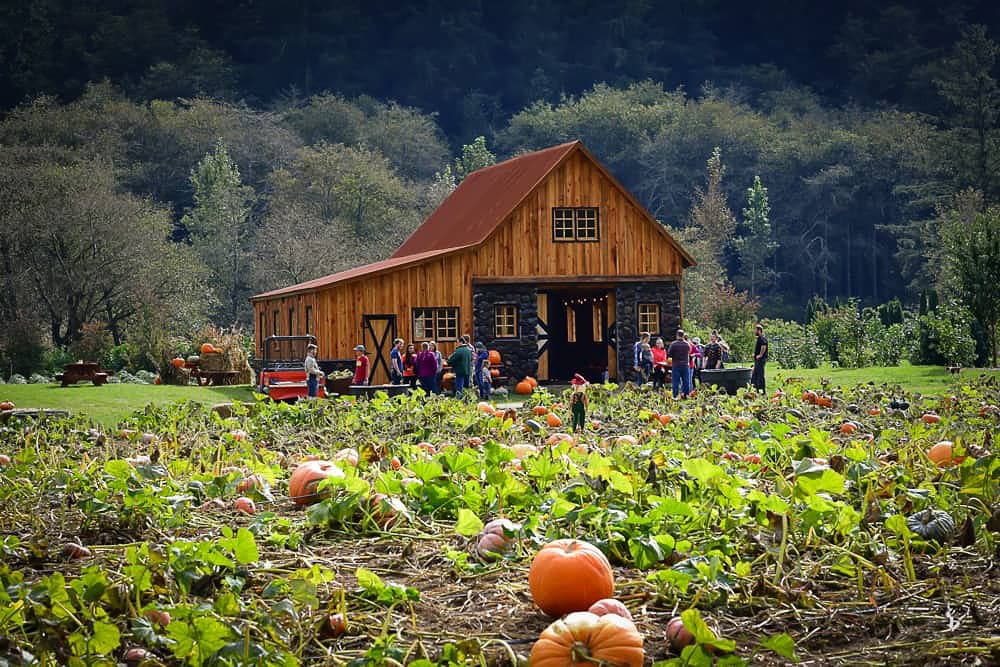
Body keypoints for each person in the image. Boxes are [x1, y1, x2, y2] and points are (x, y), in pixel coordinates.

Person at [667, 329, 692, 399]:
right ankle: (686, 395)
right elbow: (689, 352)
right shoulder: (687, 344)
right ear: (683, 335)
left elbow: (669, 354)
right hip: (685, 365)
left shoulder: (673, 344)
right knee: (686, 381)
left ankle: (675, 396)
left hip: (676, 364)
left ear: (677, 335)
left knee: (675, 381)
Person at [751, 323, 768, 392]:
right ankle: (756, 389)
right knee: (755, 374)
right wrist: (755, 354)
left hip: (761, 359)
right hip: (758, 359)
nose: (755, 332)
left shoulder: (762, 338)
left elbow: (764, 346)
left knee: (760, 374)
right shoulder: (759, 339)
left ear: (759, 330)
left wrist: (760, 355)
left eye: (755, 330)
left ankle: (762, 390)